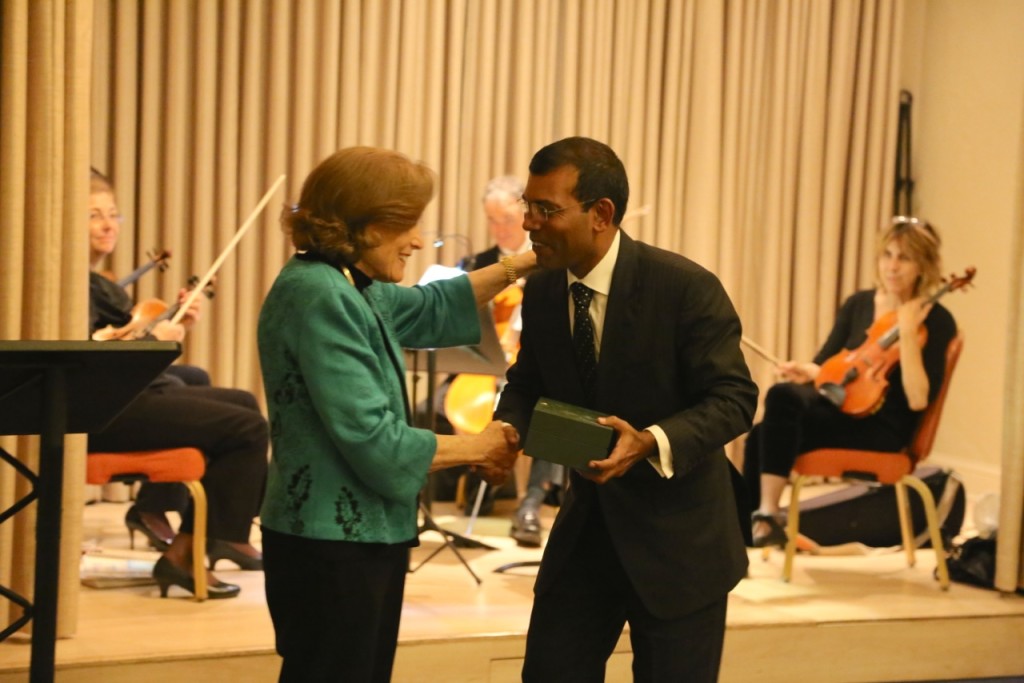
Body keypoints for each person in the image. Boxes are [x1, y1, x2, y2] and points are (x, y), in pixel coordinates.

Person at [257, 146, 537, 682]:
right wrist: (484, 444)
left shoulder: (347, 283)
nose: (416, 240)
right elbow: (375, 441)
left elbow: (433, 307)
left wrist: (526, 262)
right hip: (329, 544)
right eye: (405, 226)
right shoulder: (321, 294)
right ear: (361, 224)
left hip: (353, 537)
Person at [493, 137, 758, 682]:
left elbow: (734, 399)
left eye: (547, 210)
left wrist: (651, 440)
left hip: (681, 543)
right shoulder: (542, 291)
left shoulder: (684, 287)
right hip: (587, 533)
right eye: (528, 205)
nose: (529, 223)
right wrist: (503, 433)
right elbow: (525, 384)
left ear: (602, 214)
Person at [87, 169, 268, 598]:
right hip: (99, 408)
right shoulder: (69, 284)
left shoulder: (99, 285)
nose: (109, 224)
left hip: (119, 396)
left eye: (113, 214)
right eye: (94, 215)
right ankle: (197, 547)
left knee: (243, 403)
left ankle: (192, 545)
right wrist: (154, 341)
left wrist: (168, 331)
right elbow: (99, 364)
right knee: (249, 429)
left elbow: (123, 349)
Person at [743, 217, 957, 548]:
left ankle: (765, 518)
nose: (893, 266)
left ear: (923, 266)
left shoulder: (938, 320)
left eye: (904, 258)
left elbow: (918, 400)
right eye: (887, 255)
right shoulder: (860, 303)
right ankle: (747, 530)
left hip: (884, 429)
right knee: (774, 413)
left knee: (770, 428)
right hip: (842, 409)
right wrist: (808, 371)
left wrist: (910, 333)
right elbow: (826, 365)